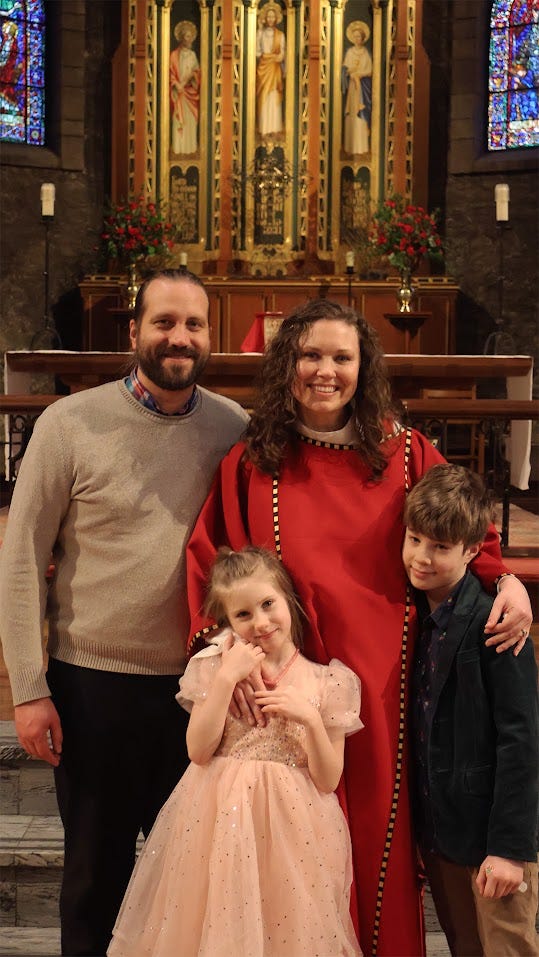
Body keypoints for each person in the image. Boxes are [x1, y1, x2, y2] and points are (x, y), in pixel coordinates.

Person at [185, 299, 533, 957]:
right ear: (286, 364)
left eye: (341, 357)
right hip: (285, 689)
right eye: (310, 355)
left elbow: (464, 528)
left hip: (383, 689)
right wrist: (223, 652)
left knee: (375, 845)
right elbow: (210, 559)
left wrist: (505, 578)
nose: (325, 370)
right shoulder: (252, 460)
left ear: (362, 367)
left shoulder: (405, 452)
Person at [0, 268, 249, 957]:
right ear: (135, 330)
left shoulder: (233, 427)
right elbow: (21, 560)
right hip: (93, 688)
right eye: (164, 322)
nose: (179, 336)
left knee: (192, 884)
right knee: (94, 882)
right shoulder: (68, 425)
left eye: (194, 324)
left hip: (197, 691)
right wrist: (29, 688)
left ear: (210, 335)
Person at [108, 545, 363, 957]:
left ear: (287, 598)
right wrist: (227, 678)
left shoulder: (327, 681)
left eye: (268, 604)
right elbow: (198, 750)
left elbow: (328, 778)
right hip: (217, 819)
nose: (260, 622)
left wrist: (311, 720)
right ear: (227, 620)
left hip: (294, 829)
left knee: (285, 926)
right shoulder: (214, 668)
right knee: (217, 920)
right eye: (243, 614)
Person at [404, 463, 539, 957]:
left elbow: (522, 739)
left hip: (491, 838)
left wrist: (509, 848)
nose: (422, 557)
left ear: (471, 550)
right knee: (464, 946)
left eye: (440, 547)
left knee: (506, 947)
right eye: (414, 539)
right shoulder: (412, 613)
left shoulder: (498, 622)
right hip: (443, 835)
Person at [342, 20, 372, 156]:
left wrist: (360, 74)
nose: (356, 39)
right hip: (353, 88)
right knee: (352, 113)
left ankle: (362, 147)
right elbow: (345, 69)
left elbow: (370, 70)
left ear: (363, 38)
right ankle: (350, 147)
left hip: (363, 87)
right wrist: (350, 71)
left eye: (359, 36)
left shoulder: (365, 53)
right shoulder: (349, 52)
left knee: (362, 113)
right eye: (354, 36)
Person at [170, 20, 200, 155]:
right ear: (181, 38)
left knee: (190, 120)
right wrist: (176, 84)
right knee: (178, 120)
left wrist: (192, 77)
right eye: (187, 36)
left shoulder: (193, 55)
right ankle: (179, 148)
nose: (189, 39)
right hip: (179, 93)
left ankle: (190, 148)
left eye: (190, 36)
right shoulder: (174, 55)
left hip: (190, 92)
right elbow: (170, 73)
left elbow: (197, 73)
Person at [256, 1, 286, 138]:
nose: (270, 19)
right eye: (268, 16)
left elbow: (283, 52)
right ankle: (264, 128)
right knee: (264, 96)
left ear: (276, 18)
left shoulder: (280, 35)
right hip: (263, 69)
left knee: (274, 96)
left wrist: (280, 56)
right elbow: (256, 52)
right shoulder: (260, 34)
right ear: (265, 17)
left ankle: (274, 127)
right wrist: (266, 56)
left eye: (273, 16)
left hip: (275, 69)